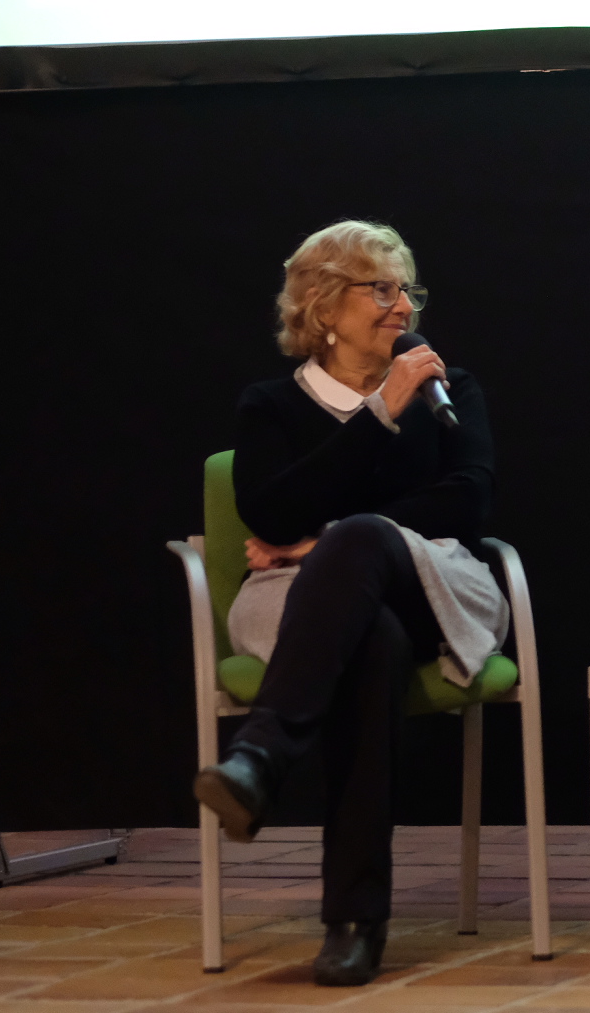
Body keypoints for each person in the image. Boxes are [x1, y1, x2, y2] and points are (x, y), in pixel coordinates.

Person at [192, 220, 504, 987]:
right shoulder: (270, 406)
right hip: (302, 610)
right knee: (369, 647)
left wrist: (324, 540)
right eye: (382, 289)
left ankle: (262, 755)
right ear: (324, 307)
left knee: (363, 539)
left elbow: (467, 502)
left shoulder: (448, 391)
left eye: (408, 290)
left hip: (434, 585)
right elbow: (270, 511)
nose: (404, 307)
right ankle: (354, 921)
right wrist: (377, 418)